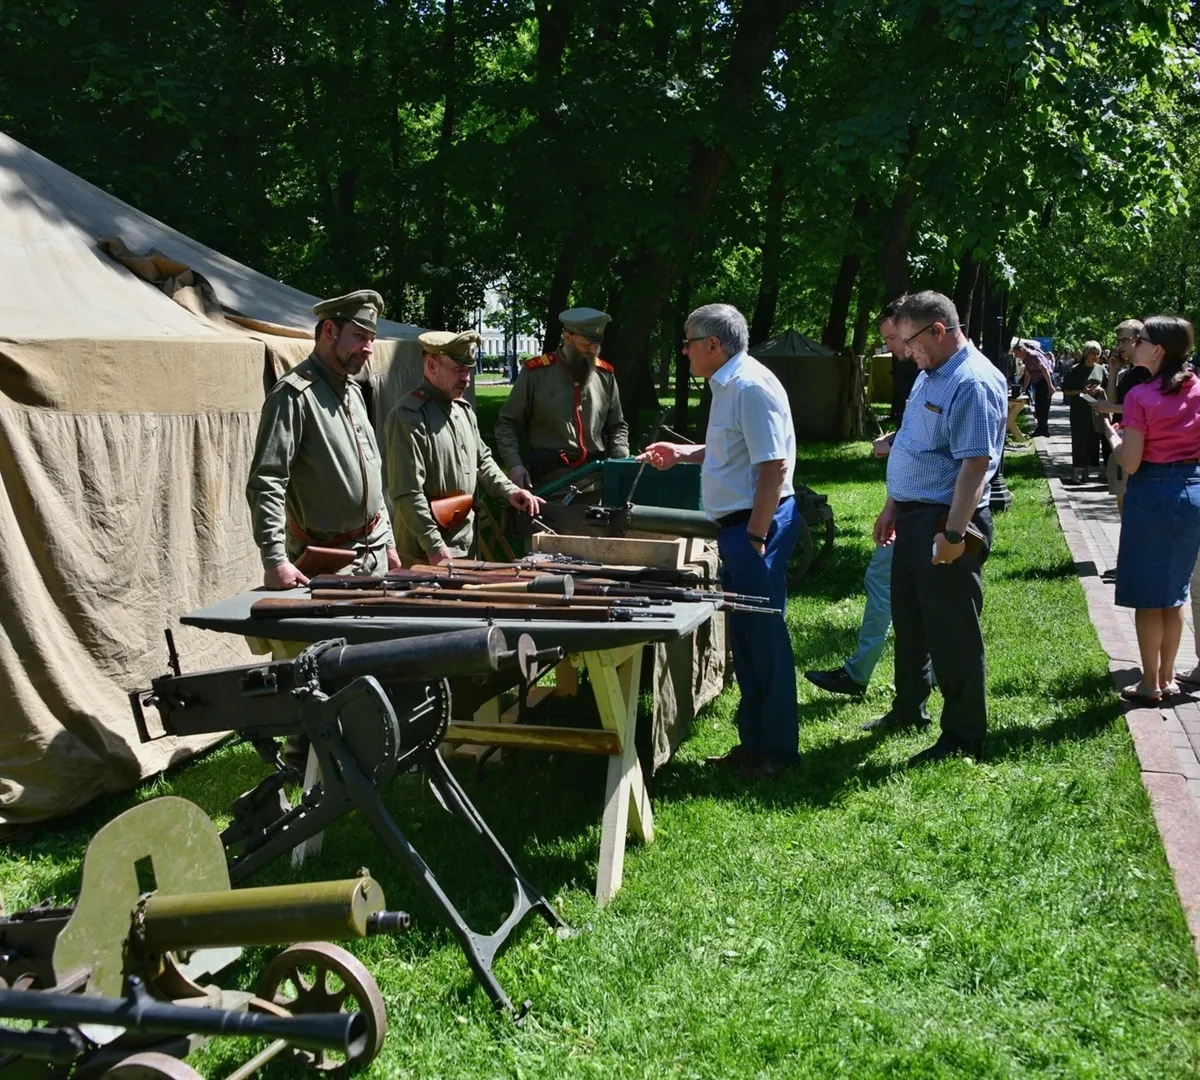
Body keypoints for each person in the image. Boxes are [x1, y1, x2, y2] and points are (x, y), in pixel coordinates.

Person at [639, 303, 800, 779]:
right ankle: (754, 745)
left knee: (764, 639)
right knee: (747, 642)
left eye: (688, 341)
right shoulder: (729, 383)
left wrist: (754, 535)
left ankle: (778, 752)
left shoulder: (748, 386)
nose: (683, 350)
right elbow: (736, 449)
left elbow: (774, 466)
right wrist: (685, 453)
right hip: (741, 526)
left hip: (754, 526)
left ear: (714, 344)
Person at [869, 290, 1007, 765]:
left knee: (953, 633)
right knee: (910, 623)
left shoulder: (972, 382)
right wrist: (893, 504)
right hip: (912, 516)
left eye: (909, 341)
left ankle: (964, 735)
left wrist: (952, 535)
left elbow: (975, 465)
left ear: (939, 331)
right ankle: (909, 708)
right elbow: (912, 444)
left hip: (945, 520)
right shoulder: (931, 374)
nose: (904, 351)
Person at [246, 290, 400, 588]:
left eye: (371, 339)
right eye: (359, 336)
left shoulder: (353, 391)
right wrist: (275, 560)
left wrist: (389, 543)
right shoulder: (293, 396)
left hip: (374, 554)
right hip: (329, 565)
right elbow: (267, 482)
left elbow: (372, 473)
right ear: (330, 330)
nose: (368, 348)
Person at [806, 299, 909, 697]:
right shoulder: (931, 374)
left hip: (928, 514)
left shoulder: (948, 376)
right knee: (895, 588)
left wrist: (891, 447)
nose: (893, 349)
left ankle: (860, 675)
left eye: (892, 339)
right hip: (912, 508)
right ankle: (918, 681)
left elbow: (940, 445)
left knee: (887, 586)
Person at [1103, 316, 1200, 703]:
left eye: (1139, 340)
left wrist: (1112, 436)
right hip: (1192, 490)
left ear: (1157, 350)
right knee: (1174, 592)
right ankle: (1169, 677)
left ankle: (1150, 683)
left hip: (1153, 495)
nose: (1133, 345)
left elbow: (1130, 462)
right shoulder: (1198, 389)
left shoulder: (1139, 396)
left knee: (1147, 595)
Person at [385, 330, 544, 565]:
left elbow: (483, 461)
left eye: (469, 370)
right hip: (425, 554)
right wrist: (434, 545)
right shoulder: (409, 417)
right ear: (431, 365)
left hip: (465, 545)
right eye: (458, 370)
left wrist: (509, 491)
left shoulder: (463, 411)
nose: (466, 378)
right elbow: (407, 493)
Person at [495, 307, 630, 490]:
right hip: (548, 483)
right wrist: (515, 465)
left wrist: (622, 463)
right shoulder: (536, 373)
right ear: (567, 337)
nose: (593, 350)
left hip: (595, 483)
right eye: (587, 344)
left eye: (597, 344)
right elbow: (507, 423)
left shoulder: (605, 376)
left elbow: (617, 426)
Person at [1060, 341, 1108, 483]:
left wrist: (1100, 390)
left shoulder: (1101, 369)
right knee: (1079, 441)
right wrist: (1082, 391)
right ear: (1086, 354)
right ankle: (1075, 472)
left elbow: (1108, 387)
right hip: (1079, 411)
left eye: (1097, 354)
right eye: (1092, 353)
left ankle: (1086, 472)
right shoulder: (1075, 370)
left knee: (1092, 442)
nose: (1095, 356)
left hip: (1095, 411)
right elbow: (1066, 390)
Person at [1017, 341, 1054, 437]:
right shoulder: (1026, 358)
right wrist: (1024, 389)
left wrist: (1050, 386)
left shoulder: (1031, 356)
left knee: (1042, 406)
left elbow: (1044, 369)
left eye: (1017, 353)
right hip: (1039, 382)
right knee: (1039, 406)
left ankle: (1041, 429)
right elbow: (1028, 375)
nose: (1017, 356)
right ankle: (1044, 429)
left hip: (1045, 381)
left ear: (1022, 350)